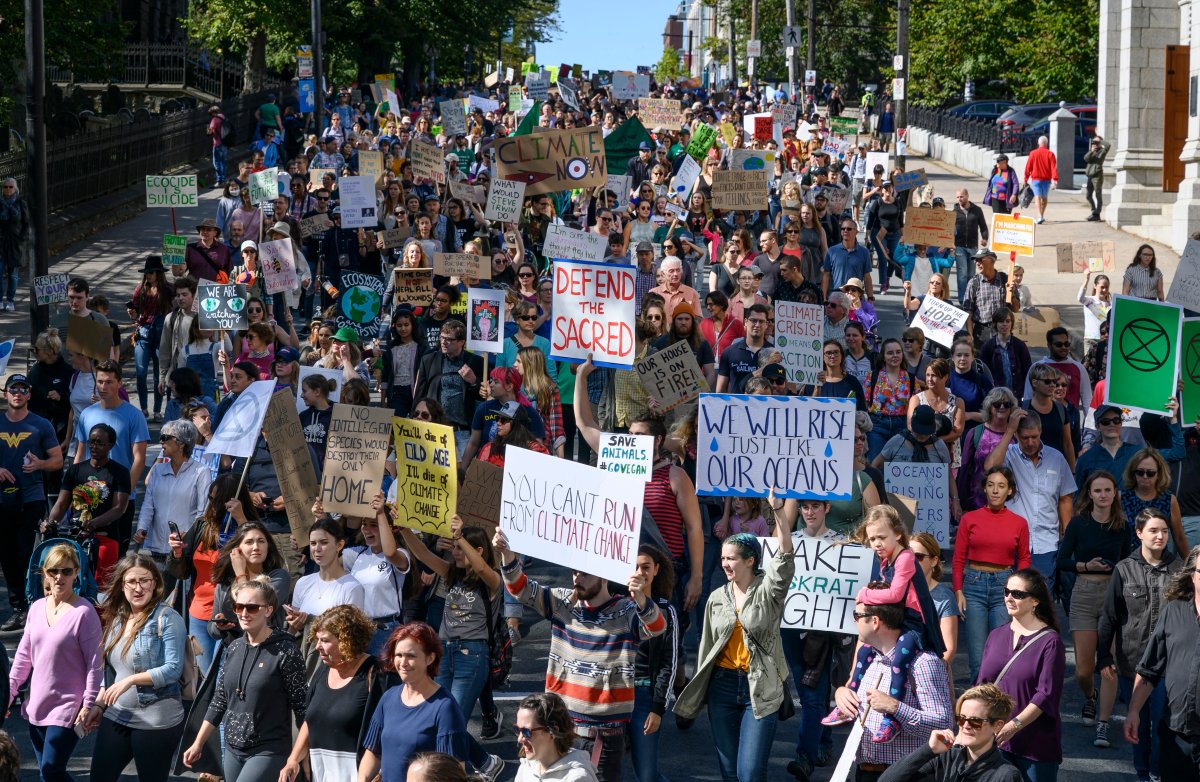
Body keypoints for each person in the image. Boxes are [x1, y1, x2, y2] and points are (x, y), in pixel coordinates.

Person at [494, 526, 666, 782]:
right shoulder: (562, 602)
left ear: (605, 575)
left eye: (584, 574)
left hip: (603, 735)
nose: (577, 579)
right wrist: (508, 556)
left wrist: (641, 598)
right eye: (575, 572)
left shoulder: (627, 610)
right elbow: (520, 589)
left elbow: (656, 627)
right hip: (558, 728)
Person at [675, 491, 795, 782]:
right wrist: (696, 691)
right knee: (730, 774)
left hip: (760, 687)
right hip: (723, 688)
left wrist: (778, 511)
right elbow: (705, 649)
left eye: (732, 558)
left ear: (751, 560)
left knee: (750, 774)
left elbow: (785, 557)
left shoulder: (768, 591)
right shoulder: (717, 598)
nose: (725, 564)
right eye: (723, 558)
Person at [825, 505, 947, 743]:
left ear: (898, 534)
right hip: (899, 618)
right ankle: (848, 698)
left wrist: (864, 595)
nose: (876, 544)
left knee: (899, 660)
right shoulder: (886, 561)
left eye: (882, 537)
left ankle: (892, 718)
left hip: (914, 624)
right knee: (863, 654)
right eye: (872, 539)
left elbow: (894, 594)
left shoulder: (905, 558)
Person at [397, 516, 505, 773]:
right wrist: (403, 529)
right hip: (445, 653)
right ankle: (486, 764)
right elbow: (422, 554)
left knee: (451, 721)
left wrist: (459, 538)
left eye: (460, 548)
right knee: (439, 718)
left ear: (477, 550)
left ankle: (459, 773)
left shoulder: (492, 579)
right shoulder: (450, 574)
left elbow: (480, 568)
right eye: (455, 547)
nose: (454, 552)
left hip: (473, 655)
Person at [183, 576, 307, 782]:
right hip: (233, 748)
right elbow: (220, 700)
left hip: (269, 748)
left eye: (252, 608)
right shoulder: (234, 647)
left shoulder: (286, 651)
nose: (244, 613)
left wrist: (299, 756)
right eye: (239, 607)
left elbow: (302, 707)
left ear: (268, 610)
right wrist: (198, 743)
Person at [85, 552, 187, 782]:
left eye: (145, 581)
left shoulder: (168, 618)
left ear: (155, 584)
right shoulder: (118, 617)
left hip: (156, 720)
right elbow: (111, 670)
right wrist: (99, 705)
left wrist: (131, 680)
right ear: (122, 585)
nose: (138, 588)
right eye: (131, 581)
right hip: (117, 714)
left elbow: (173, 669)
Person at [6, 543, 103, 781]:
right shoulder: (37, 608)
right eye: (54, 571)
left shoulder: (84, 612)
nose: (60, 577)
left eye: (67, 571)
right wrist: (7, 695)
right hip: (37, 702)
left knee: (51, 770)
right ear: (45, 573)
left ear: (77, 572)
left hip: (68, 707)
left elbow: (95, 663)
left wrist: (89, 704)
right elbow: (22, 657)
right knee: (47, 773)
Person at [1096, 509, 1181, 779]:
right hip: (1131, 663)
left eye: (1164, 531)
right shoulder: (1123, 569)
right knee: (1138, 725)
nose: (1160, 536)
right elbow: (1109, 617)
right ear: (1139, 533)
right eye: (1154, 530)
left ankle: (1157, 772)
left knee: (1162, 726)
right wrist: (1104, 658)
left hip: (1168, 665)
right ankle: (1142, 772)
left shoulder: (1179, 569)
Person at [833, 596, 954, 782]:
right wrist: (841, 693)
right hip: (865, 770)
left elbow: (943, 723)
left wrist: (896, 708)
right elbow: (851, 691)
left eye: (857, 615)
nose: (854, 621)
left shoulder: (924, 663)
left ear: (875, 622)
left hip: (907, 774)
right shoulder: (870, 657)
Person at [279, 605, 396, 782]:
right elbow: (310, 720)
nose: (317, 646)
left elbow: (388, 731)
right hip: (320, 773)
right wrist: (293, 759)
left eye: (325, 640)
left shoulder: (376, 675)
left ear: (347, 640)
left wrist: (379, 773)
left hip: (358, 775)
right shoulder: (322, 672)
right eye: (317, 639)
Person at [1057, 471, 1131, 745]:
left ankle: (1103, 723)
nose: (1102, 495)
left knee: (1108, 666)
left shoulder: (1123, 526)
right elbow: (1062, 561)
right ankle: (1091, 697)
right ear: (1089, 494)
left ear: (1115, 494)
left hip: (1113, 595)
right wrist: (1085, 566)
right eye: (1097, 490)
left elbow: (1127, 562)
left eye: (1107, 490)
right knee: (1083, 671)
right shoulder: (1078, 524)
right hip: (1084, 593)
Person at [356, 621, 477, 782]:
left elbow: (453, 773)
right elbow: (373, 753)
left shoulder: (445, 707)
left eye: (411, 656)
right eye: (398, 655)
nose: (403, 663)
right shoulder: (389, 698)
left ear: (430, 658)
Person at [976, 569, 1067, 782]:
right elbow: (981, 684)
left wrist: (1014, 725)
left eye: (1017, 594)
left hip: (1035, 744)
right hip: (995, 740)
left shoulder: (1050, 642)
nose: (1009, 597)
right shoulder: (996, 635)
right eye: (1007, 591)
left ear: (1035, 601)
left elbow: (1045, 695)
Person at [167, 473, 259, 675]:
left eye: (218, 500)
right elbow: (179, 572)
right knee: (205, 677)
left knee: (225, 679)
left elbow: (261, 565)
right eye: (210, 499)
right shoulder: (202, 525)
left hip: (233, 616)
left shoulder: (252, 528)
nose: (213, 505)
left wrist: (241, 520)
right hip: (199, 613)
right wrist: (177, 552)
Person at [1122, 543, 1200, 781]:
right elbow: (1149, 669)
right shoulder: (1173, 612)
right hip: (1176, 734)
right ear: (1192, 576)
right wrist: (1134, 711)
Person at [954, 464, 1032, 681]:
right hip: (974, 586)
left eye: (1001, 486)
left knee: (1000, 655)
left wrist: (1018, 590)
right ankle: (975, 709)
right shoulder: (970, 519)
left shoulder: (1019, 523)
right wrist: (958, 590)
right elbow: (959, 557)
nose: (996, 490)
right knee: (977, 657)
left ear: (1010, 490)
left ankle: (997, 706)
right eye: (991, 485)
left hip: (1004, 587)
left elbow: (1024, 557)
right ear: (985, 489)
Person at [984, 410, 1076, 591]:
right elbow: (990, 467)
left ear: (1041, 431)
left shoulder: (1056, 458)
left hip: (1046, 543)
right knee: (1011, 598)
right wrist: (1009, 431)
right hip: (1012, 542)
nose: (1030, 442)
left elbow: (1065, 499)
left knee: (1040, 603)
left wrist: (1067, 538)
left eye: (1034, 436)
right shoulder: (1008, 455)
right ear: (1017, 435)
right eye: (1025, 437)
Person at [0, 372, 62, 630]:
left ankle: (34, 605)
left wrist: (40, 463)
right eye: (13, 389)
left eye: (22, 390)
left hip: (31, 498)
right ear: (5, 394)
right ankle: (18, 609)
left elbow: (57, 460)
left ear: (29, 394)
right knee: (7, 556)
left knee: (28, 553)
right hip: (2, 501)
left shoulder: (41, 425)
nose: (17, 394)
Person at [72, 359, 150, 548]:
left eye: (109, 382)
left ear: (119, 383)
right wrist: (72, 491)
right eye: (100, 382)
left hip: (119, 498)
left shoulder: (134, 415)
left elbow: (139, 459)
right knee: (84, 555)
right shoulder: (87, 414)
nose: (103, 386)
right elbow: (80, 455)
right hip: (89, 496)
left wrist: (124, 493)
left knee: (117, 556)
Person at [877, 683, 1024, 782]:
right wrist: (928, 749)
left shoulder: (1006, 775)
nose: (965, 726)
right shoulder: (948, 757)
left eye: (975, 721)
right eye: (961, 719)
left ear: (997, 726)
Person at [286, 519, 366, 672]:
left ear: (339, 545)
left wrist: (310, 622)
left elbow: (350, 636)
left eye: (323, 542)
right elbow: (292, 632)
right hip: (302, 663)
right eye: (313, 543)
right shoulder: (303, 583)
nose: (317, 549)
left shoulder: (352, 587)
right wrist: (294, 624)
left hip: (333, 667)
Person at [134, 419, 209, 573]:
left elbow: (203, 513)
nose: (161, 441)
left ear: (182, 443)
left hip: (184, 551)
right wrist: (141, 528)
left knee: (181, 597)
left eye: (165, 438)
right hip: (156, 548)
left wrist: (189, 537)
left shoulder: (201, 472)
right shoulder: (157, 470)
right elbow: (148, 505)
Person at [414, 320, 484, 458]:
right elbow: (419, 395)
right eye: (442, 338)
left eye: (449, 339)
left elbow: (483, 397)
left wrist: (474, 381)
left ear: (461, 342)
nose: (444, 342)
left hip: (462, 432)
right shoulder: (429, 360)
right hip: (434, 429)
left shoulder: (476, 362)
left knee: (460, 475)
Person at [514, 693, 600, 782]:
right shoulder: (526, 767)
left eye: (526, 732)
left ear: (553, 731)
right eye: (517, 729)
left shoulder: (577, 778)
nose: (519, 739)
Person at [1121, 448, 1190, 554]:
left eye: (1150, 473)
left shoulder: (1169, 500)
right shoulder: (1121, 498)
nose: (1145, 476)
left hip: (1159, 561)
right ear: (1133, 473)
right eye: (1140, 472)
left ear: (1159, 474)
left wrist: (1191, 567)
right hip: (1128, 561)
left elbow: (1179, 537)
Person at [912, 532, 959, 672]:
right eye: (908, 556)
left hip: (928, 670)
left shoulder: (944, 596)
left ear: (933, 561)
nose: (911, 561)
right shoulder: (896, 590)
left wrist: (930, 674)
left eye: (918, 557)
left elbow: (949, 648)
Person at [865, 338, 916, 460]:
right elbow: (866, 403)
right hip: (877, 425)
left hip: (902, 426)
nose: (895, 355)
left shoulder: (911, 378)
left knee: (900, 465)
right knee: (875, 463)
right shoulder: (873, 376)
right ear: (883, 356)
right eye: (890, 353)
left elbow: (915, 406)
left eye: (898, 352)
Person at [964, 250, 1014, 349]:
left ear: (992, 261)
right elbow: (968, 311)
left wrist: (1011, 294)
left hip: (1003, 329)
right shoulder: (973, 283)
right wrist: (970, 335)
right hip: (981, 333)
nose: (977, 263)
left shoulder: (1005, 280)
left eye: (981, 260)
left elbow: (1016, 308)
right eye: (976, 260)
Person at [980, 308, 1031, 394]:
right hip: (996, 395)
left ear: (1012, 323)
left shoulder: (1019, 345)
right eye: (1001, 321)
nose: (1005, 324)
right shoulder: (988, 347)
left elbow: (1028, 370)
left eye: (1008, 321)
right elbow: (983, 372)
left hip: (1018, 394)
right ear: (995, 324)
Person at [952, 189, 990, 304]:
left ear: (967, 196)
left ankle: (970, 297)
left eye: (962, 197)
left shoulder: (977, 210)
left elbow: (983, 226)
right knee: (962, 273)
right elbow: (948, 230)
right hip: (959, 247)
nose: (959, 199)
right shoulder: (954, 212)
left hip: (973, 247)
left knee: (971, 274)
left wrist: (984, 238)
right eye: (958, 197)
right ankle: (962, 299)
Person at [822, 217, 873, 300]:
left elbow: (867, 277)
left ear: (856, 231)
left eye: (849, 229)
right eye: (843, 229)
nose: (845, 231)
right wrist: (823, 297)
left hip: (855, 297)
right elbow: (826, 275)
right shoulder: (831, 251)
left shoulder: (864, 252)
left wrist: (870, 298)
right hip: (836, 296)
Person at [0, 177, 30, 310]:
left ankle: (10, 301)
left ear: (15, 188)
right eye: (5, 187)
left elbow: (26, 223)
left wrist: (21, 238)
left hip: (15, 243)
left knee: (13, 274)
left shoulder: (20, 203)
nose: (7, 189)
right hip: (1, 242)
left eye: (10, 187)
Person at [1024, 136, 1058, 224]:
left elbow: (1028, 167)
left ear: (1038, 143)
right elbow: (1053, 168)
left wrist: (1025, 178)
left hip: (1036, 179)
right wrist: (1055, 179)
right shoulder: (1050, 154)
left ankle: (1040, 216)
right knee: (1044, 198)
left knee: (1037, 197)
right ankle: (1041, 215)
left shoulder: (1033, 153)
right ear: (1046, 144)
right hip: (1046, 180)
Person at [1077, 270, 1112, 353]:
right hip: (1091, 340)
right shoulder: (1089, 301)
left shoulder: (1112, 304)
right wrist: (1086, 278)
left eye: (1106, 287)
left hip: (1106, 340)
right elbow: (1080, 297)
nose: (1104, 290)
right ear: (1095, 286)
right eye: (1102, 287)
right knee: (1088, 365)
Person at [1084, 136, 1112, 221]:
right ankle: (1093, 211)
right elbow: (1086, 158)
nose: (1094, 144)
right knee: (1088, 195)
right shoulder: (1092, 150)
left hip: (1097, 175)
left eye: (1096, 142)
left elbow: (1108, 145)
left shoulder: (1103, 151)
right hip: (1090, 175)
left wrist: (1100, 141)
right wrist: (1091, 151)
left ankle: (1097, 214)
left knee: (1097, 195)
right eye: (1094, 142)